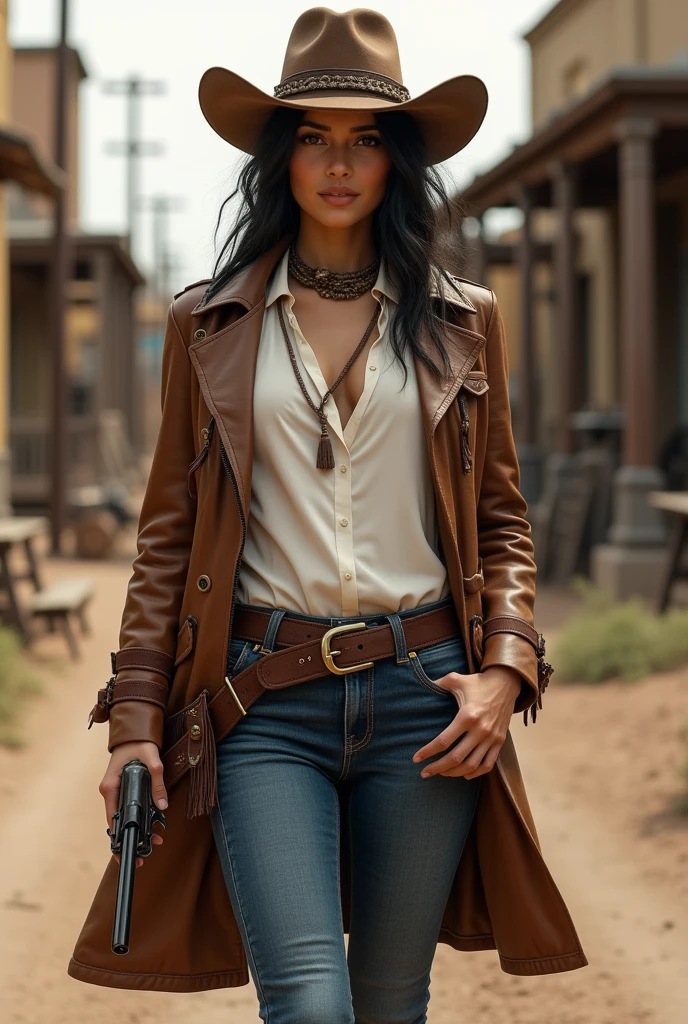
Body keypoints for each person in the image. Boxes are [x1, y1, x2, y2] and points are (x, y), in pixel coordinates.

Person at [68, 7, 587, 1018]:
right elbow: (166, 536)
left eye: (363, 139)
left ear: (396, 159)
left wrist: (503, 668)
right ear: (281, 156)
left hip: (426, 703)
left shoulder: (463, 321)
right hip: (262, 705)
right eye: (312, 136)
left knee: (390, 1001)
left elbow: (502, 519)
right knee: (308, 1003)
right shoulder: (206, 322)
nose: (338, 163)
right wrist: (135, 720)